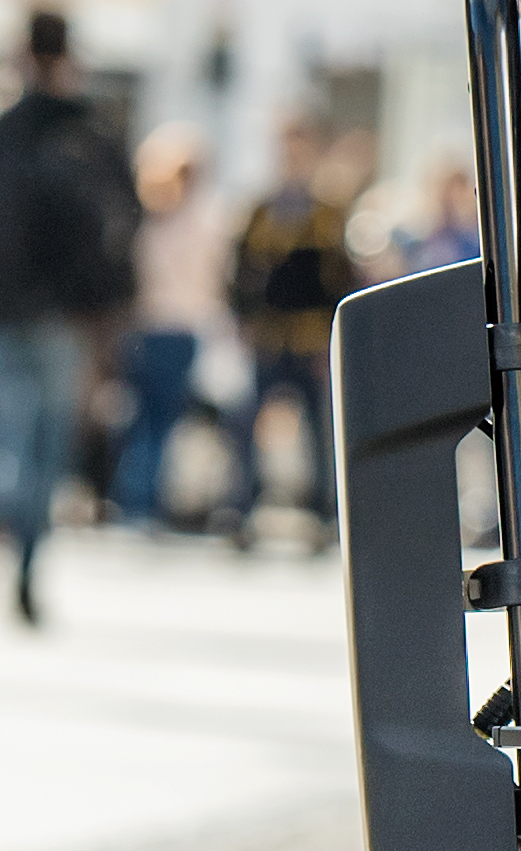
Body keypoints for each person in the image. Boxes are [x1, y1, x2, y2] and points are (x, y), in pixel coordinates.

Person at [0, 9, 142, 624]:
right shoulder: (90, 134)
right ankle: (27, 557)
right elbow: (125, 221)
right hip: (65, 314)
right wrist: (109, 310)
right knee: (44, 444)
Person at [226, 115, 359, 539]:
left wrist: (332, 338)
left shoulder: (327, 214)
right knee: (246, 422)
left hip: (310, 337)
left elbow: (340, 280)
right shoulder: (260, 211)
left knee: (320, 430)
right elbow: (241, 272)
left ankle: (326, 513)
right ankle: (240, 507)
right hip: (269, 336)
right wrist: (244, 322)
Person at [114, 125, 228, 526]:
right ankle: (141, 500)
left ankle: (135, 498)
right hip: (174, 328)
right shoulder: (203, 221)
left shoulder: (147, 217)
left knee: (144, 417)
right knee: (158, 419)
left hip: (148, 326)